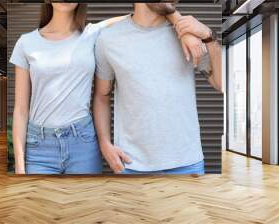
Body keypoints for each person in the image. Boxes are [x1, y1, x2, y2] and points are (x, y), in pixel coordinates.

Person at [10, 3, 205, 174]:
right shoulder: (26, 43)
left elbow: (148, 10)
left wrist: (183, 26)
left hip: (83, 142)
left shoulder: (92, 34)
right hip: (40, 145)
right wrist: (20, 166)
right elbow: (20, 110)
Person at [93, 2, 222, 175]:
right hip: (132, 164)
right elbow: (102, 95)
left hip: (187, 163)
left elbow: (220, 83)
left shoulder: (189, 35)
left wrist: (209, 37)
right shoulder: (108, 39)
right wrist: (105, 144)